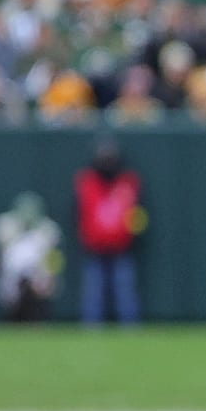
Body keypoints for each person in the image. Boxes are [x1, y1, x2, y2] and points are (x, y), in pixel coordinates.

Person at [74, 136, 145, 325]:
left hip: (122, 247)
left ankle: (130, 328)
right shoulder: (87, 182)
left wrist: (133, 236)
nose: (107, 163)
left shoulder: (128, 182)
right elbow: (77, 213)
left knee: (125, 292)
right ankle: (90, 328)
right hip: (94, 247)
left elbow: (138, 213)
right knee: (93, 294)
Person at [0, 191, 61, 322]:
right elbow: (4, 263)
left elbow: (52, 260)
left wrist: (48, 280)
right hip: (12, 278)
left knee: (42, 286)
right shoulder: (6, 227)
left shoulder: (47, 230)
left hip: (38, 276)